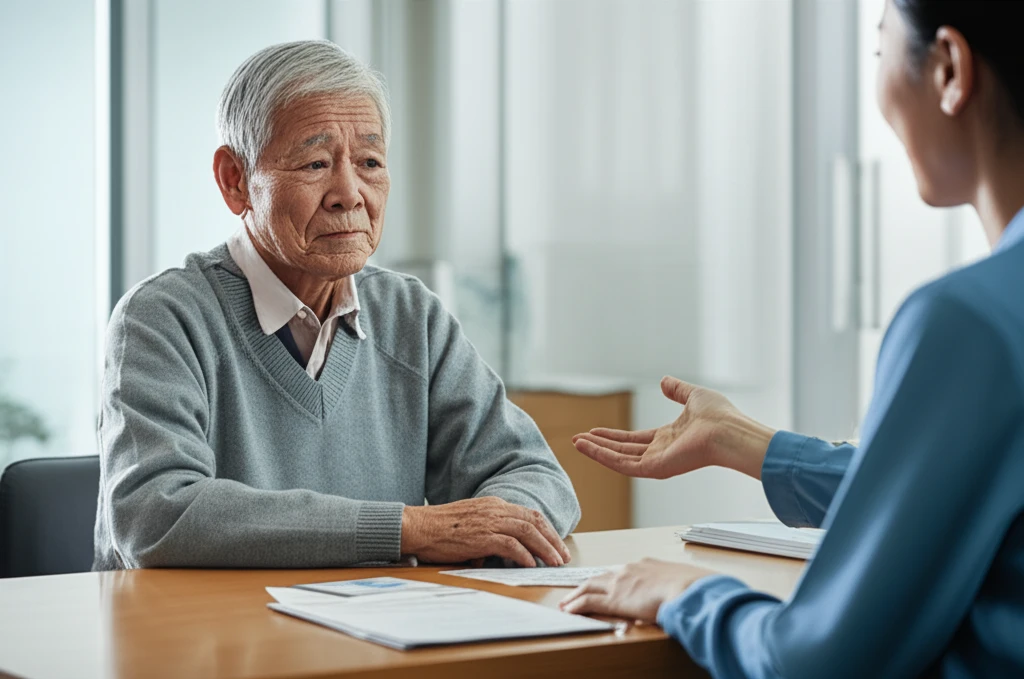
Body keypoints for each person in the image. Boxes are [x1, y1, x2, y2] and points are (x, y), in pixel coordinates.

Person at [561, 1, 1024, 676]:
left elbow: (817, 662)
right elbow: (946, 501)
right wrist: (756, 446)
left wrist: (688, 593)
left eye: (878, 52)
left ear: (950, 68)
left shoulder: (970, 324)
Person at [92, 40, 579, 571]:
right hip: (212, 644)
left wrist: (498, 531)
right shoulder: (161, 318)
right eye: (316, 163)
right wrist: (406, 529)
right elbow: (154, 515)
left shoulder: (410, 314)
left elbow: (536, 475)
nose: (349, 193)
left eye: (370, 161)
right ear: (236, 182)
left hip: (377, 638)